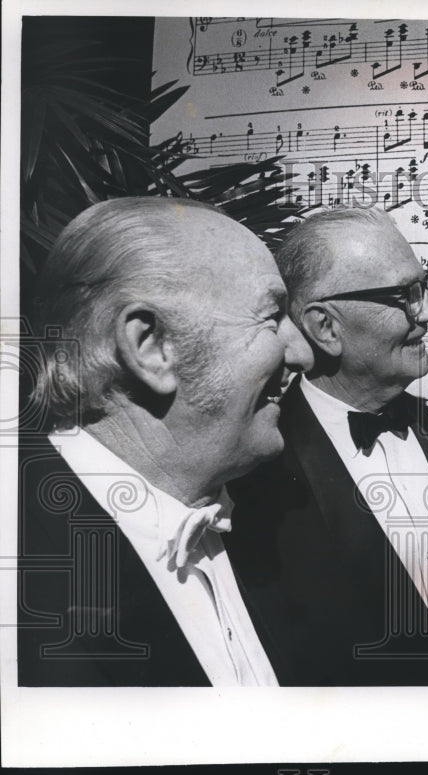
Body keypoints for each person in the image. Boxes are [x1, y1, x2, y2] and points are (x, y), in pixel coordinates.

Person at [18, 197, 313, 686]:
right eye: (272, 315)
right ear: (152, 348)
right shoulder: (24, 582)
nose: (302, 353)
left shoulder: (261, 527)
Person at [226, 207, 428, 685]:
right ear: (325, 328)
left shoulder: (425, 426)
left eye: (425, 287)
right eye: (406, 295)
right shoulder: (259, 469)